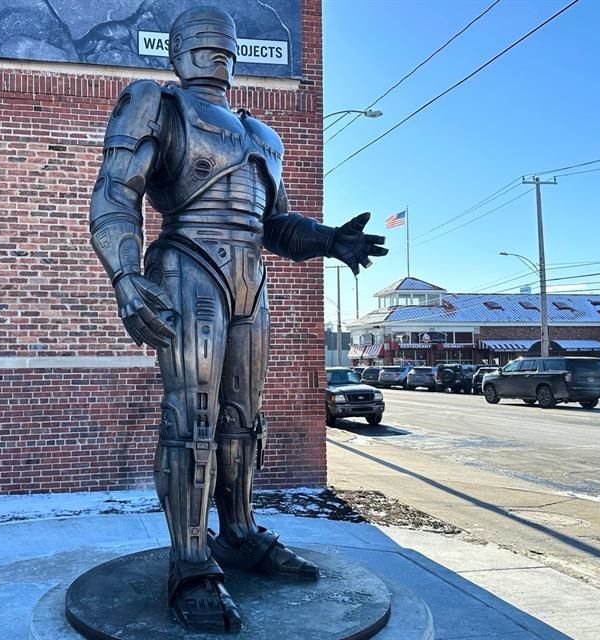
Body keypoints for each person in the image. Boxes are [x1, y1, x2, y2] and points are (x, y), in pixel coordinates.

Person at [88, 6, 387, 632]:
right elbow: (116, 192)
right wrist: (124, 276)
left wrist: (329, 239)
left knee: (242, 417)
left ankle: (239, 531)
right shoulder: (156, 103)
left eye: (223, 46)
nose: (215, 55)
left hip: (251, 276)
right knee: (192, 414)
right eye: (203, 45)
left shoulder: (263, 133)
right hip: (187, 262)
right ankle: (190, 561)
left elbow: (273, 223)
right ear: (178, 53)